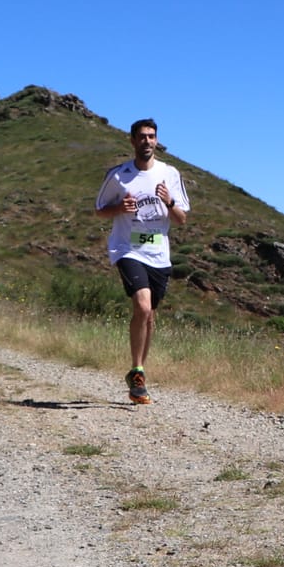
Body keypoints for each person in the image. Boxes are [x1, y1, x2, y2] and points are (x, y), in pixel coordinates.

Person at [94, 118, 191, 403]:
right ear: (132, 141)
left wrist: (169, 201)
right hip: (128, 249)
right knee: (142, 305)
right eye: (142, 137)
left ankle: (139, 374)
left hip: (159, 254)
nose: (147, 141)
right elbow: (99, 211)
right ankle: (137, 370)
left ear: (156, 140)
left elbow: (182, 219)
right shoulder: (119, 175)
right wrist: (118, 208)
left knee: (149, 315)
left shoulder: (169, 173)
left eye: (152, 136)